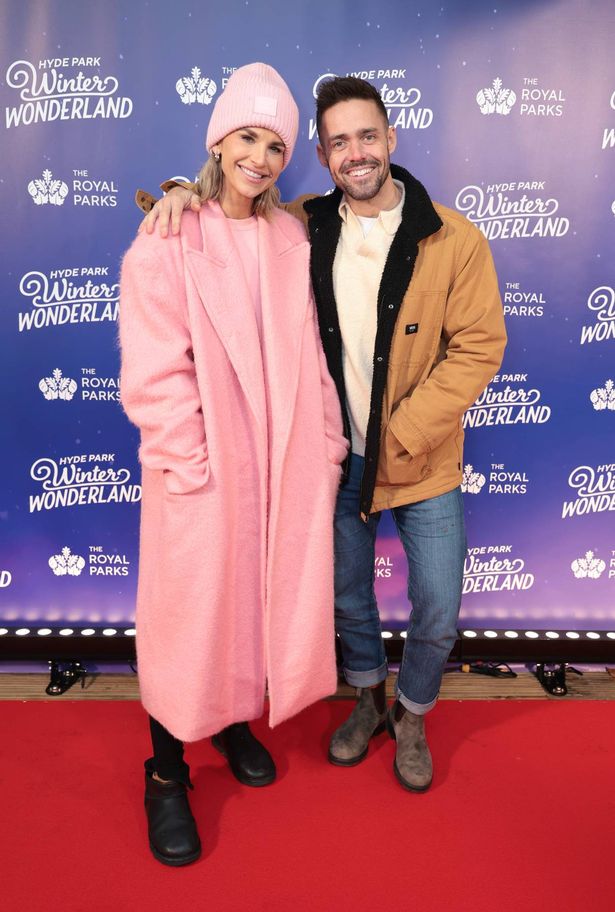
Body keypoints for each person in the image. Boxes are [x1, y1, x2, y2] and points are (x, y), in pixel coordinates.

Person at [139, 76, 507, 794]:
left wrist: (402, 431)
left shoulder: (453, 236)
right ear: (322, 154)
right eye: (337, 142)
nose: (355, 152)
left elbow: (478, 347)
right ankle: (365, 698)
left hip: (420, 458)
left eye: (366, 135)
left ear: (391, 138)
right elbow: (230, 211)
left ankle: (411, 712)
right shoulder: (307, 224)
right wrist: (181, 189)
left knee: (436, 605)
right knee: (347, 597)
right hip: (330, 463)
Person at [119, 63, 348, 866]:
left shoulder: (291, 234)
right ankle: (165, 772)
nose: (261, 155)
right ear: (219, 139)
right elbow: (153, 372)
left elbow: (314, 359)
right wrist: (189, 465)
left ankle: (231, 720)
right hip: (205, 477)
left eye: (278, 143)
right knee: (189, 620)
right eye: (248, 136)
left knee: (253, 606)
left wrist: (322, 447)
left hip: (283, 470)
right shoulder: (170, 234)